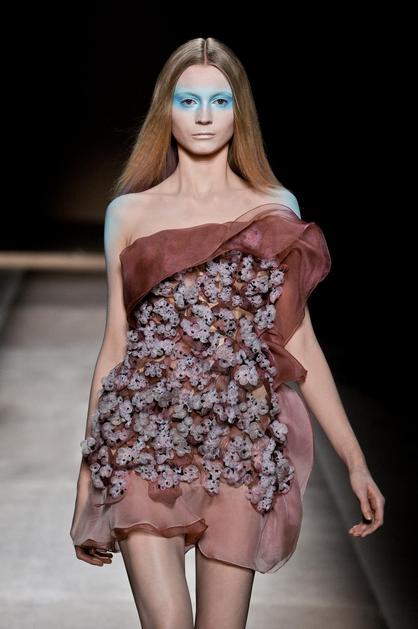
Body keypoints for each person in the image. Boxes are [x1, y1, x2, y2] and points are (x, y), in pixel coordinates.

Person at [69, 37, 385, 629]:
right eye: (188, 100)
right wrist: (87, 477)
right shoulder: (129, 213)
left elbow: (298, 341)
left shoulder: (274, 208)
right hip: (144, 441)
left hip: (240, 446)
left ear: (240, 111)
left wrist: (355, 459)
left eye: (220, 100)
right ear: (166, 110)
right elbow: (115, 346)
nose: (204, 116)